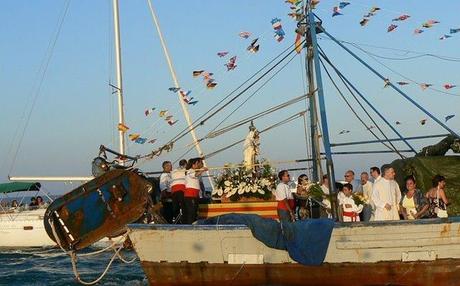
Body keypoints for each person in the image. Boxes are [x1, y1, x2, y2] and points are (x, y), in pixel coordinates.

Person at [183, 158, 208, 224]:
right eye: (198, 163)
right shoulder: (190, 171)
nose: (199, 165)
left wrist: (201, 169)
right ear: (194, 164)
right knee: (192, 212)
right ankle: (190, 225)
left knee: (195, 211)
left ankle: (194, 224)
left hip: (195, 194)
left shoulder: (195, 171)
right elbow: (195, 175)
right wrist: (202, 170)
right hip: (190, 195)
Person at [171, 159, 187, 223]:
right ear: (185, 164)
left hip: (174, 190)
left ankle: (176, 221)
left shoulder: (174, 171)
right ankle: (184, 220)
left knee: (176, 207)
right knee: (184, 206)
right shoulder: (185, 170)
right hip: (181, 189)